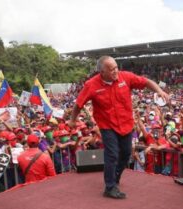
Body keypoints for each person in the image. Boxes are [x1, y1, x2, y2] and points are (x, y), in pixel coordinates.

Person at [69, 56, 170, 199]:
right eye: (111, 69)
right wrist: (73, 120)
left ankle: (115, 177)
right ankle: (109, 187)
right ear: (101, 72)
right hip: (107, 125)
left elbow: (146, 81)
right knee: (112, 154)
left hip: (126, 123)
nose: (115, 71)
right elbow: (78, 104)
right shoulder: (91, 85)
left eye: (116, 67)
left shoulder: (126, 77)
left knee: (126, 154)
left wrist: (159, 90)